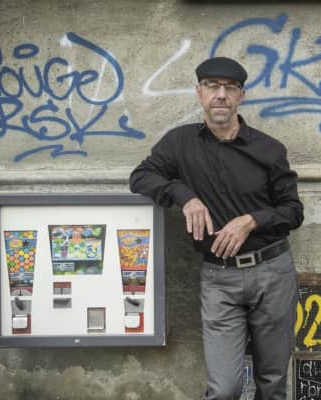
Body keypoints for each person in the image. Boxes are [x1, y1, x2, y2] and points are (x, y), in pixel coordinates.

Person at [130, 56, 304, 400]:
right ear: (199, 93)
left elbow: (293, 211)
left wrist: (251, 220)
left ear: (241, 95)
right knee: (224, 389)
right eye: (212, 86)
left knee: (272, 382)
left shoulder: (269, 149)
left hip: (272, 273)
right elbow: (141, 177)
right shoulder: (179, 143)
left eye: (230, 87)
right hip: (218, 278)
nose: (221, 95)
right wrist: (184, 196)